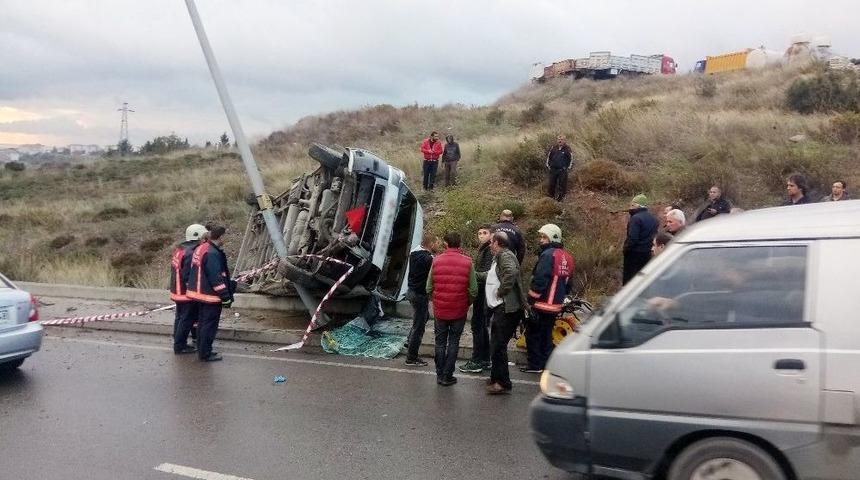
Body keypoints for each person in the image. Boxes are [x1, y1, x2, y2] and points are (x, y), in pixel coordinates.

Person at [426, 232, 477, 386]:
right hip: (459, 310)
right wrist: (466, 302)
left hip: (441, 310)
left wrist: (435, 301)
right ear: (459, 244)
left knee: (440, 342)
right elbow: (474, 290)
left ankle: (439, 374)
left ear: (446, 243)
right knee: (454, 342)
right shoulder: (468, 262)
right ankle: (448, 375)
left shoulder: (436, 261)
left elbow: (428, 287)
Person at [523, 224, 574, 374]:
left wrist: (530, 299)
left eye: (544, 237)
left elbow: (540, 280)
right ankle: (547, 364)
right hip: (556, 305)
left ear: (552, 237)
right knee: (546, 335)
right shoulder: (568, 257)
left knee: (533, 334)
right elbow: (569, 283)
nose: (541, 240)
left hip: (541, 304)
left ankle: (535, 365)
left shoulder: (547, 255)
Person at [482, 232, 528, 394]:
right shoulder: (500, 257)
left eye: (491, 242)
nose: (489, 244)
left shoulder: (505, 256)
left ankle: (502, 382)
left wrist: (502, 291)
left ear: (498, 243)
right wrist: (474, 275)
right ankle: (496, 377)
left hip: (506, 308)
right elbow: (491, 276)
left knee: (498, 346)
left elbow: (511, 272)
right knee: (496, 344)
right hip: (501, 308)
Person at [186, 225, 235, 362]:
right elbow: (216, 277)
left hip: (199, 294)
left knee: (202, 324)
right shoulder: (212, 253)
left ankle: (203, 351)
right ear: (220, 237)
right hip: (210, 296)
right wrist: (225, 296)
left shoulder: (202, 247)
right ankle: (205, 353)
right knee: (209, 326)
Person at [459, 225, 494, 374]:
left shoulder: (489, 251)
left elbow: (488, 274)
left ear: (491, 235)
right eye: (479, 233)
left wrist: (471, 273)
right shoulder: (483, 249)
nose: (481, 235)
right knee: (481, 326)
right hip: (482, 291)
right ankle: (485, 358)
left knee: (477, 326)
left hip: (484, 292)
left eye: (485, 233)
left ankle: (477, 360)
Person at [169, 223, 208, 354]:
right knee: (186, 319)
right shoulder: (191, 252)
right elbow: (188, 274)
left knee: (180, 318)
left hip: (177, 290)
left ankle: (179, 341)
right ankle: (180, 346)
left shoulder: (180, 249)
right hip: (186, 292)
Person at [404, 233, 437, 366]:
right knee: (419, 326)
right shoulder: (428, 259)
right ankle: (411, 357)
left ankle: (409, 341)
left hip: (411, 292)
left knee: (422, 318)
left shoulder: (414, 253)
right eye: (436, 243)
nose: (438, 245)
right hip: (419, 295)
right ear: (432, 244)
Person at [623, 194, 658, 285]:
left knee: (630, 283)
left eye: (632, 205)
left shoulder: (636, 218)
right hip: (647, 254)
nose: (630, 208)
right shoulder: (654, 219)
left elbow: (632, 239)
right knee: (642, 282)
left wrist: (625, 249)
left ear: (638, 206)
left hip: (634, 255)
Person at [545, 135, 573, 201]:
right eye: (558, 139)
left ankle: (560, 201)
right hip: (553, 170)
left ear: (565, 141)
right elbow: (549, 157)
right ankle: (550, 200)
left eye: (561, 139)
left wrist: (567, 168)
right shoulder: (553, 148)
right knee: (551, 185)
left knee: (562, 186)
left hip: (562, 170)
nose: (560, 141)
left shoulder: (567, 149)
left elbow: (571, 159)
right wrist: (549, 166)